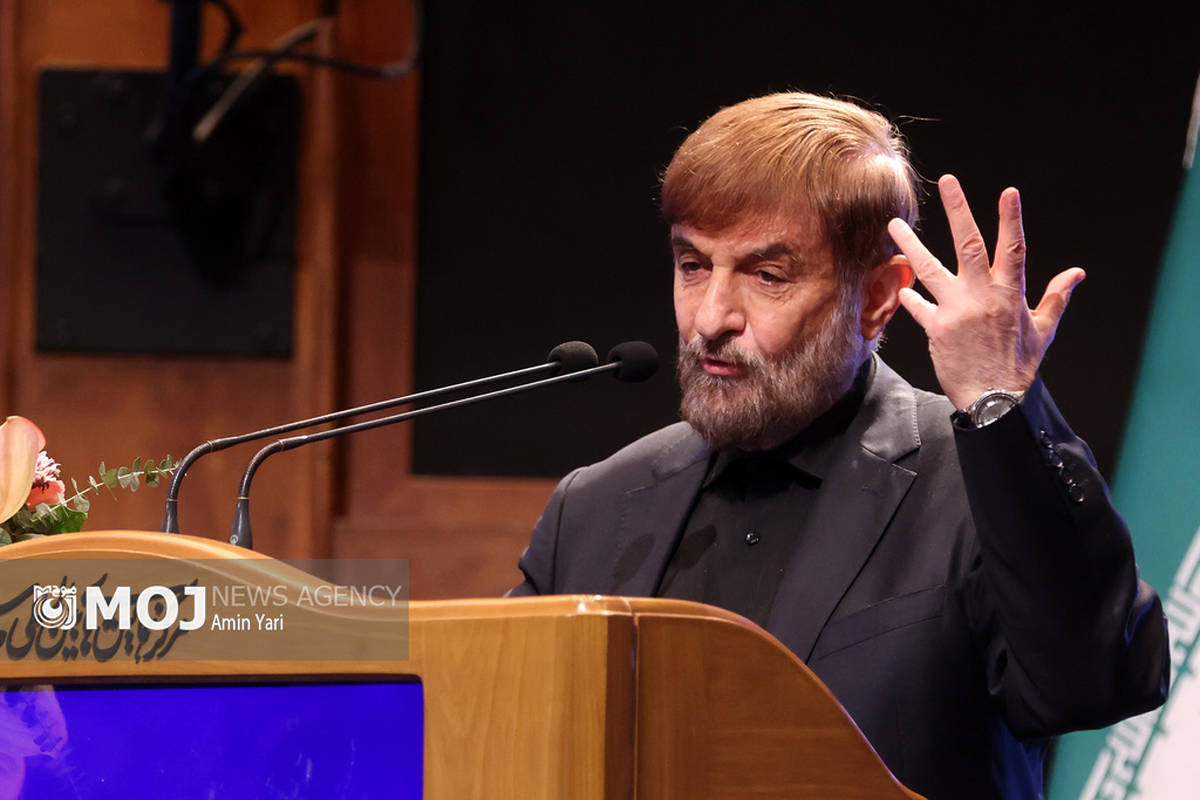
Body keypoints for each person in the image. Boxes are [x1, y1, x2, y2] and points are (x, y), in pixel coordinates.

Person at [507, 92, 1168, 799]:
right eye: (693, 265)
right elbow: (493, 729)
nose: (709, 318)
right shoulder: (596, 507)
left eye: (767, 276)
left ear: (878, 297)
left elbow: (1095, 682)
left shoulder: (977, 489)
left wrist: (1000, 405)